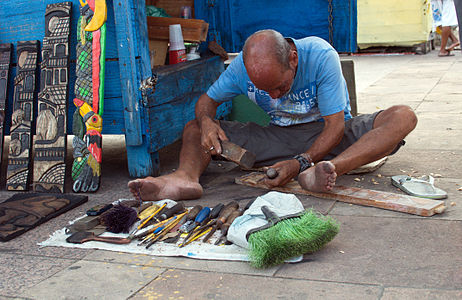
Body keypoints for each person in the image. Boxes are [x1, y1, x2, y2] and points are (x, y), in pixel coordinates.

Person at [128, 29, 417, 201]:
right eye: (265, 91)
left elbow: (335, 127)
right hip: (278, 138)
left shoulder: (319, 55)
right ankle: (184, 178)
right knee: (194, 126)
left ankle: (327, 170)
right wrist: (206, 123)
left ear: (293, 58)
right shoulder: (242, 67)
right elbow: (207, 101)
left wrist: (301, 162)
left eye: (280, 86)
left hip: (330, 135)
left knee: (403, 116)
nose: (275, 96)